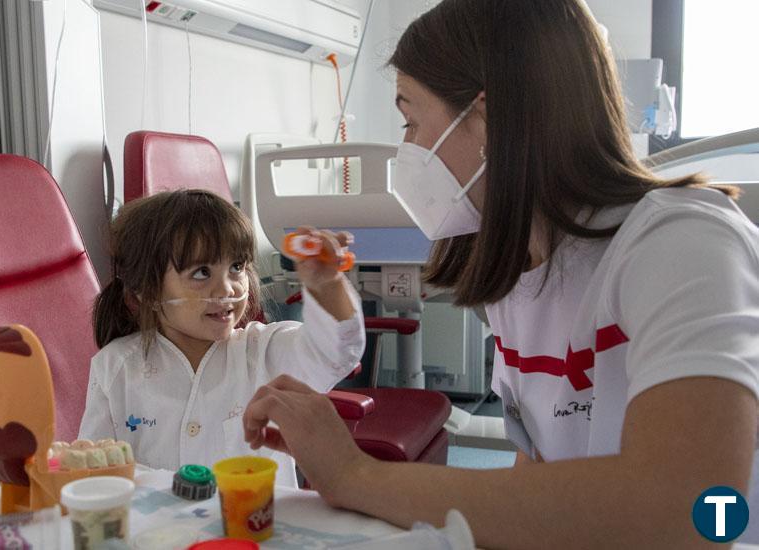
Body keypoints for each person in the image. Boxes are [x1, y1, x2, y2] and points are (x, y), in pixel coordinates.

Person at [241, 0, 759, 546]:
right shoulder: (523, 277)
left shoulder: (680, 242)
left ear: (487, 117)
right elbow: (544, 492)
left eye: (411, 121)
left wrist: (353, 474)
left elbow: (690, 508)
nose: (408, 148)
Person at [78, 189, 365, 487]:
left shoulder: (263, 350)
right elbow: (93, 469)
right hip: (159, 532)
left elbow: (335, 353)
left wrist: (328, 285)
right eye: (202, 273)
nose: (228, 289)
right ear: (146, 292)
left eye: (236, 267)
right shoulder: (115, 366)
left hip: (255, 529)